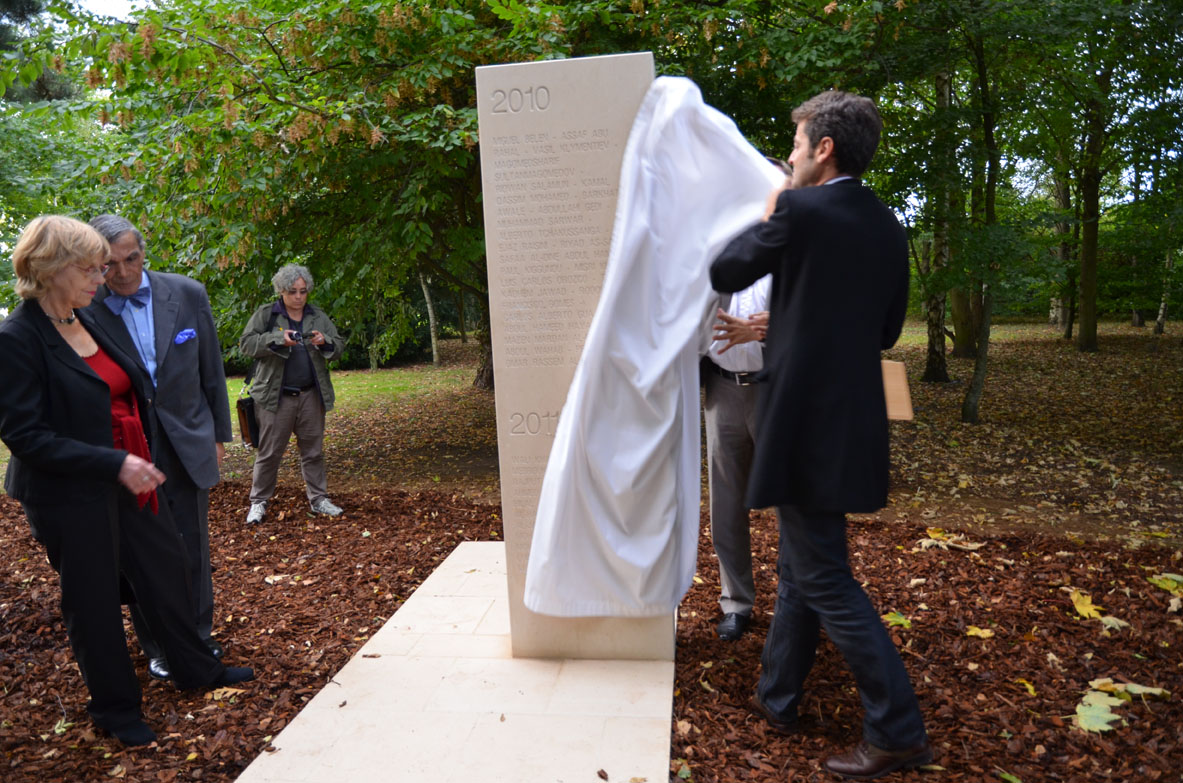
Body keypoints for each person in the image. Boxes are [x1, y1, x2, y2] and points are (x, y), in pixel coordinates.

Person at [709, 91, 930, 779]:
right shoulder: (888, 225)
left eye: (797, 142)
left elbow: (724, 271)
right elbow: (887, 330)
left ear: (823, 149)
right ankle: (777, 696)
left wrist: (774, 206)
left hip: (801, 421)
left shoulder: (798, 210)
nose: (792, 153)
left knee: (824, 574)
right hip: (851, 420)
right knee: (804, 563)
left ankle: (896, 727)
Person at [0, 216, 253, 747]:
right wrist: (113, 462)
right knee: (92, 601)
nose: (105, 277)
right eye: (92, 267)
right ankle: (115, 709)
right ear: (53, 268)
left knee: (166, 568)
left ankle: (194, 668)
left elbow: (130, 390)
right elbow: (24, 436)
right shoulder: (18, 339)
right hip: (72, 494)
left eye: (108, 264)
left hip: (130, 477)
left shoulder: (84, 318)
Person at [85, 215, 231, 683]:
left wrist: (218, 435)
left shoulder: (187, 293)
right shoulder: (87, 308)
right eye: (109, 265)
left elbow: (212, 369)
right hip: (129, 445)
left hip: (187, 438)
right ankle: (159, 645)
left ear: (143, 252)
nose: (124, 273)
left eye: (132, 259)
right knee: (143, 551)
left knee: (193, 545)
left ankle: (199, 635)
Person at [239, 263, 345, 524]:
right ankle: (258, 502)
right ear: (281, 291)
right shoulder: (267, 315)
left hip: (311, 396)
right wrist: (275, 339)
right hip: (275, 398)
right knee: (269, 453)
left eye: (303, 291)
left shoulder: (318, 316)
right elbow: (246, 344)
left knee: (313, 452)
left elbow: (339, 345)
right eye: (292, 291)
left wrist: (326, 342)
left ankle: (319, 499)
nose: (298, 297)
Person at [703, 279, 770, 641]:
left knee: (793, 502)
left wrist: (762, 329)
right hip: (721, 389)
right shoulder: (717, 257)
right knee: (725, 504)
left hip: (774, 390)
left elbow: (811, 314)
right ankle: (736, 603)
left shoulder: (786, 250)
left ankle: (799, 607)